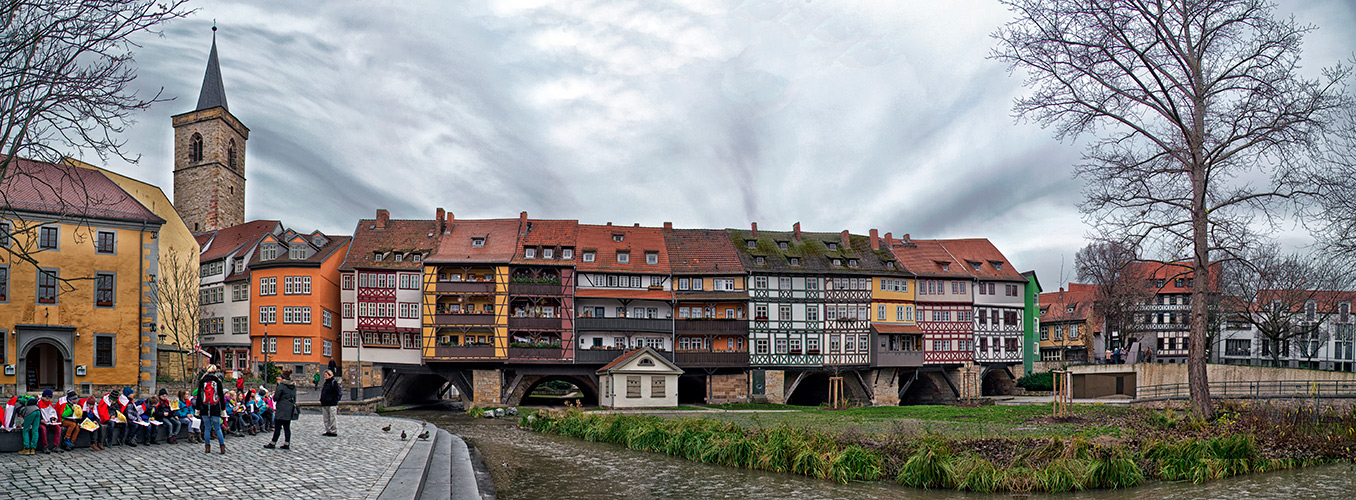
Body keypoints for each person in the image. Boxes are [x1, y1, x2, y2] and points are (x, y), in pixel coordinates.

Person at [196, 364, 228, 454]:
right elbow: (221, 396)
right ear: (215, 371)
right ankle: (222, 447)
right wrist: (223, 409)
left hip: (204, 407)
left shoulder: (202, 380)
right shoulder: (217, 381)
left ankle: (207, 447)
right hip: (215, 407)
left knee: (207, 428)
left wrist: (198, 409)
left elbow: (199, 396)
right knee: (217, 428)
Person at [265, 369, 298, 450]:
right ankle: (287, 443)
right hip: (289, 408)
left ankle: (273, 442)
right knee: (287, 427)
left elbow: (276, 397)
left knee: (278, 427)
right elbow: (294, 397)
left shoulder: (281, 385)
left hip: (281, 408)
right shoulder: (293, 386)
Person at [36, 389, 62, 454]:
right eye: (47, 397)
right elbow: (36, 414)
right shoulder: (38, 403)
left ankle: (55, 445)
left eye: (49, 398)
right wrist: (41, 421)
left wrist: (53, 419)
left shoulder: (49, 403)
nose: (48, 399)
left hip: (48, 422)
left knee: (58, 428)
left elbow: (52, 412)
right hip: (40, 422)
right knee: (43, 429)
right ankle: (45, 446)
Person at [320, 369, 341, 437]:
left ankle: (333, 430)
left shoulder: (333, 383)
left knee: (332, 417)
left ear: (330, 375)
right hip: (325, 403)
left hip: (332, 403)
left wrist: (333, 399)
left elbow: (336, 393)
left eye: (326, 375)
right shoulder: (325, 383)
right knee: (326, 418)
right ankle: (328, 430)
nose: (325, 376)